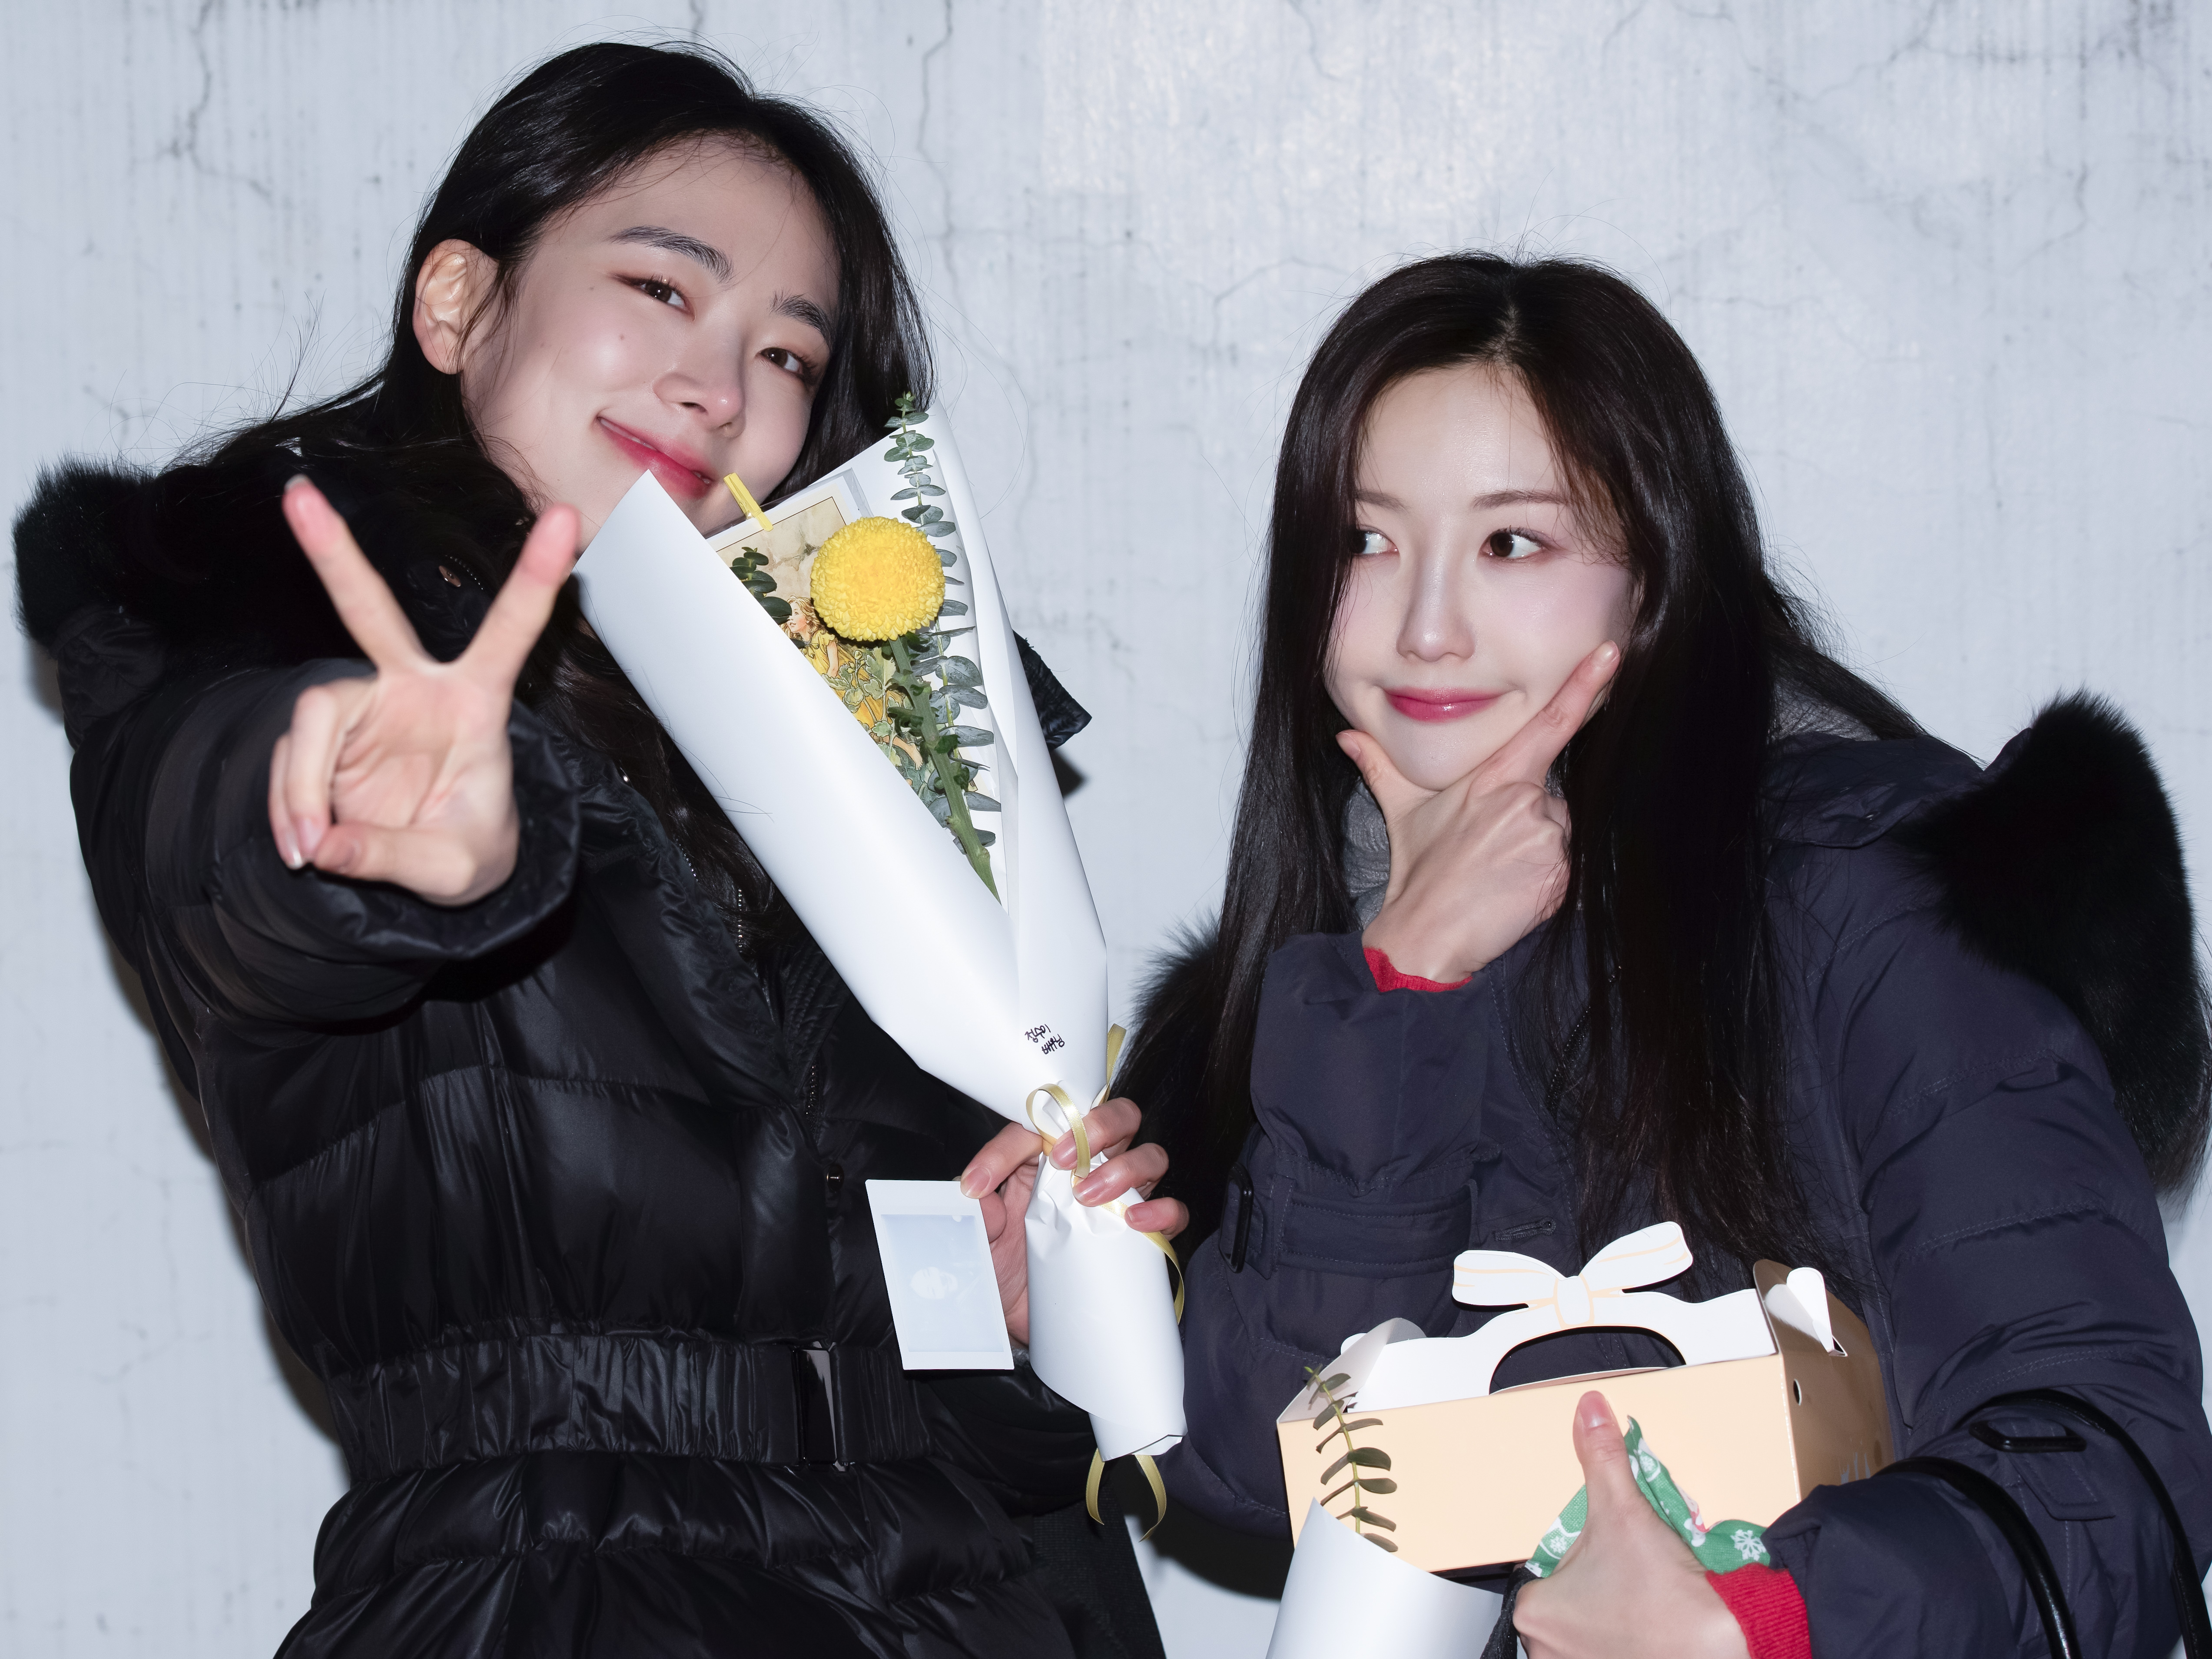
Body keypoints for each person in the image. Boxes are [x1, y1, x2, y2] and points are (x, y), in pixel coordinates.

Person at [13, 42, 1184, 1659]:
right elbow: (225, 860)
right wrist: (371, 807)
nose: (722, 387)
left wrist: (996, 1305)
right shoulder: (245, 630)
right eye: (660, 288)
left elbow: (885, 1352)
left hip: (963, 1601)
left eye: (786, 351)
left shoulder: (869, 744)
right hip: (557, 1596)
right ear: (458, 302)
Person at [1117, 252, 2212, 1657]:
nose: (1424, 624)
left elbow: (2112, 1456)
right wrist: (1403, 989)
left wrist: (1754, 1615)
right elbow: (1257, 1477)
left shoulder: (1868, 886)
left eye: (1512, 544)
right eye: (1363, 540)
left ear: (1653, 571)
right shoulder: (1329, 973)